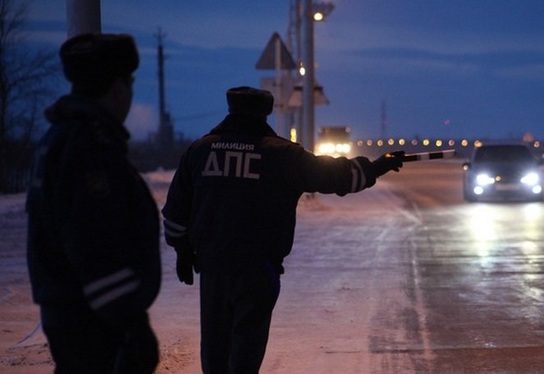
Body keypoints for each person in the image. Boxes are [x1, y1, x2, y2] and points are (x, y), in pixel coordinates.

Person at [162, 86, 405, 373]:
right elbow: (335, 177)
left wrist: (181, 250)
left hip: (214, 269)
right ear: (266, 113)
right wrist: (375, 168)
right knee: (246, 349)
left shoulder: (200, 151)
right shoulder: (283, 155)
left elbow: (176, 209)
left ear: (231, 109)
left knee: (216, 349)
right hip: (258, 269)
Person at [26, 33, 161, 373]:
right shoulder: (89, 147)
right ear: (117, 88)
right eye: (129, 84)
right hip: (94, 322)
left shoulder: (63, 137)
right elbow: (92, 242)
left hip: (78, 315)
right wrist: (129, 323)